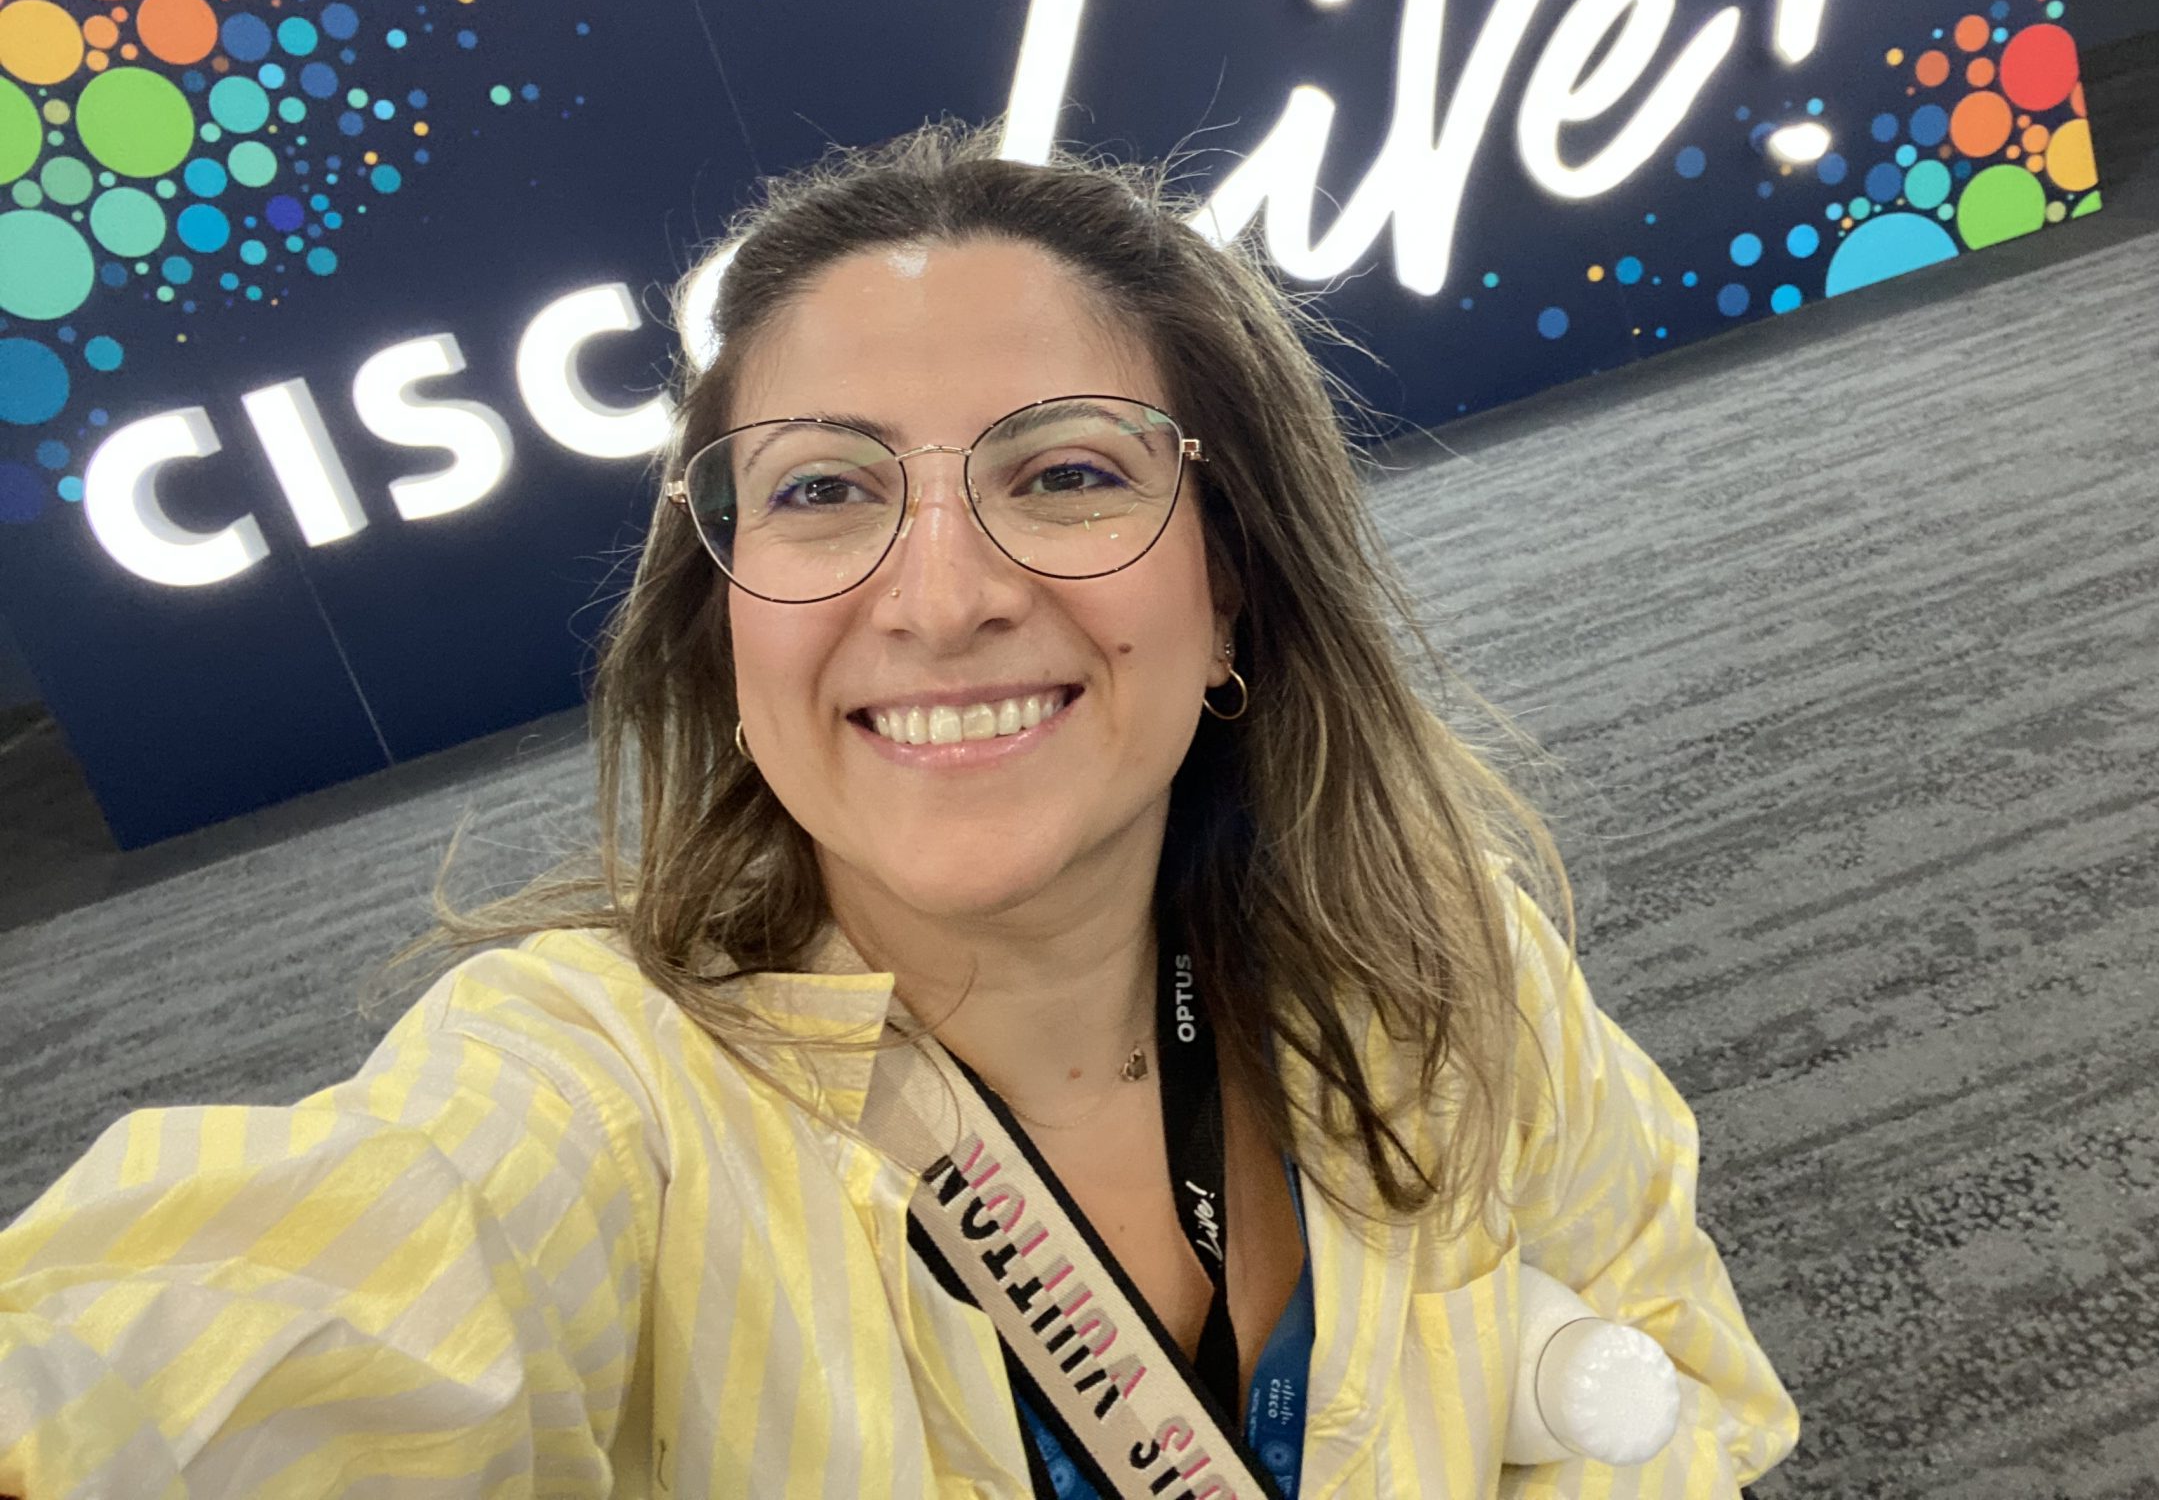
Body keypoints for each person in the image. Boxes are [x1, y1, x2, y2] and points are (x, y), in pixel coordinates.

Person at [0, 124, 1797, 1497]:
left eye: (1069, 471)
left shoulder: (1435, 957)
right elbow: (214, 1356)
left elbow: (1673, 1373)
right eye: (826, 490)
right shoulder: (591, 1094)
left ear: (1233, 575)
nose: (940, 597)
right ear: (722, 609)